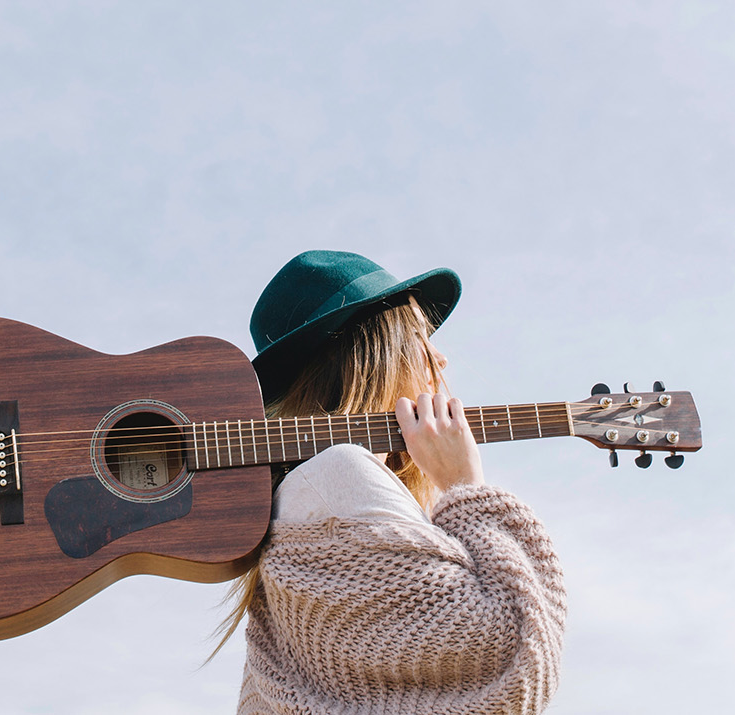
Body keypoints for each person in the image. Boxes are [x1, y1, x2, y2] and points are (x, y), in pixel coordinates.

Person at [212, 250, 566, 714]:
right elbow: (507, 654)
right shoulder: (337, 477)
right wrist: (466, 485)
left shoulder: (302, 497)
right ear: (373, 354)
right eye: (419, 336)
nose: (439, 356)